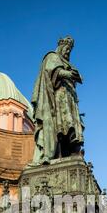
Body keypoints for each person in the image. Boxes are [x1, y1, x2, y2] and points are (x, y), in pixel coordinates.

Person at [31, 36, 84, 165]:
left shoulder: (66, 63)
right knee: (60, 125)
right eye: (66, 49)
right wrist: (70, 74)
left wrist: (76, 76)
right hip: (57, 99)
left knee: (69, 126)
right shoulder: (52, 56)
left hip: (68, 98)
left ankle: (68, 152)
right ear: (61, 46)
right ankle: (54, 153)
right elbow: (54, 71)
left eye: (69, 51)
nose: (67, 52)